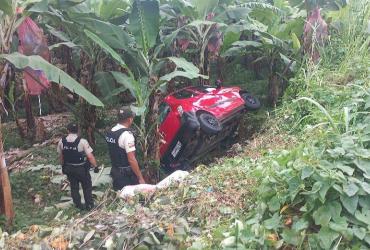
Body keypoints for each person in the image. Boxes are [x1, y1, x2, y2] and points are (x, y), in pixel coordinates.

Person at [57, 123, 99, 210]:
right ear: (77, 131)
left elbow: (61, 156)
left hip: (69, 168)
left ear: (68, 130)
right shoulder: (82, 141)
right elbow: (90, 156)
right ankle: (89, 205)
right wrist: (95, 166)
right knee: (87, 186)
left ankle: (78, 205)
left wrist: (62, 166)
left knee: (74, 187)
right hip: (81, 168)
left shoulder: (62, 141)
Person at [106, 107, 145, 191]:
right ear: (129, 119)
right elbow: (131, 159)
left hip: (115, 171)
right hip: (126, 176)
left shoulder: (111, 131)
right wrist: (140, 178)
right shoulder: (127, 135)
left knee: (120, 198)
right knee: (131, 200)